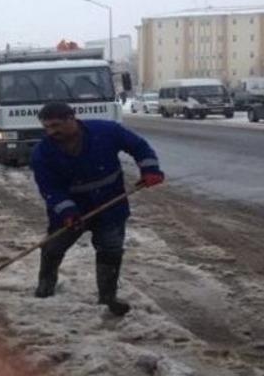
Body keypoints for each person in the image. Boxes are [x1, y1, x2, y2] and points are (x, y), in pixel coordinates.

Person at [29, 102, 164, 316]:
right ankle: (45, 289)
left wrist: (150, 168)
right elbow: (50, 189)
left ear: (71, 118)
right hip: (70, 211)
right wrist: (68, 212)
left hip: (111, 204)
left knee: (110, 250)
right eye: (47, 127)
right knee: (52, 248)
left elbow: (139, 147)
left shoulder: (106, 131)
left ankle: (108, 298)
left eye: (56, 125)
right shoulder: (42, 153)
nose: (51, 131)